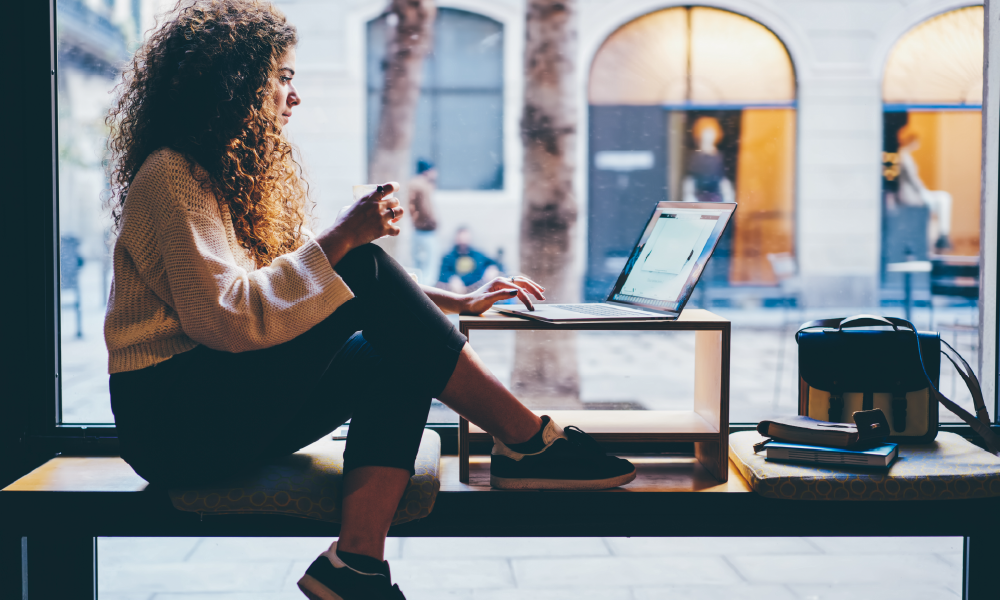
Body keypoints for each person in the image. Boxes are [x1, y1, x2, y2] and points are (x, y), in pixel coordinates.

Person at [102, 2, 635, 599]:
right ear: (235, 83)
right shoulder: (171, 174)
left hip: (217, 403)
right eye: (282, 77)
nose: (293, 96)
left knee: (398, 350)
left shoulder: (223, 174)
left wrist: (449, 301)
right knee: (360, 261)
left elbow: (303, 287)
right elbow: (226, 320)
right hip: (175, 425)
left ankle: (354, 565)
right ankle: (528, 441)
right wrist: (344, 238)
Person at [896, 124, 953, 251]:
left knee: (943, 199)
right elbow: (914, 181)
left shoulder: (905, 156)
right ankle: (943, 236)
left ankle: (943, 235)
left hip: (914, 194)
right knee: (944, 199)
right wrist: (924, 193)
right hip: (911, 196)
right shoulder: (903, 156)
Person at [682, 116, 735, 203]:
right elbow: (690, 179)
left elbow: (723, 180)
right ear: (700, 134)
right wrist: (688, 195)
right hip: (699, 199)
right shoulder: (695, 157)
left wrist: (728, 196)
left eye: (711, 133)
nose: (709, 136)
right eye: (706, 133)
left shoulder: (719, 157)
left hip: (716, 199)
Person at [438, 226, 503, 293]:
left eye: (465, 238)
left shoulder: (477, 255)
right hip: (455, 293)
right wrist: (451, 279)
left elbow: (492, 263)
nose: (463, 241)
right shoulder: (448, 257)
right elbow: (442, 274)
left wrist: (491, 268)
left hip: (477, 291)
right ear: (456, 239)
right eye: (461, 238)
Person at [407, 159, 439, 284]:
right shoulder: (422, 185)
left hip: (418, 230)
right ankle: (427, 296)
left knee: (418, 266)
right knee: (428, 269)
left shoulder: (413, 184)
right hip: (425, 230)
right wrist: (431, 222)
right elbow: (426, 210)